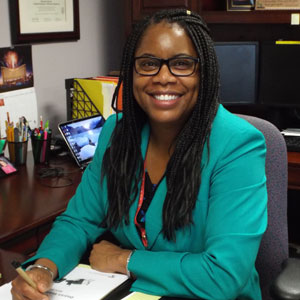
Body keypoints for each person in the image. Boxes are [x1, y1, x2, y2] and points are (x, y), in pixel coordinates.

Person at [11, 8, 267, 300]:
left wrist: (124, 259)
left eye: (182, 64)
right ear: (132, 71)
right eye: (148, 64)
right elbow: (80, 220)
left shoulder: (238, 145)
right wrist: (44, 267)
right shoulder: (117, 133)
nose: (163, 78)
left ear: (204, 72)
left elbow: (224, 275)